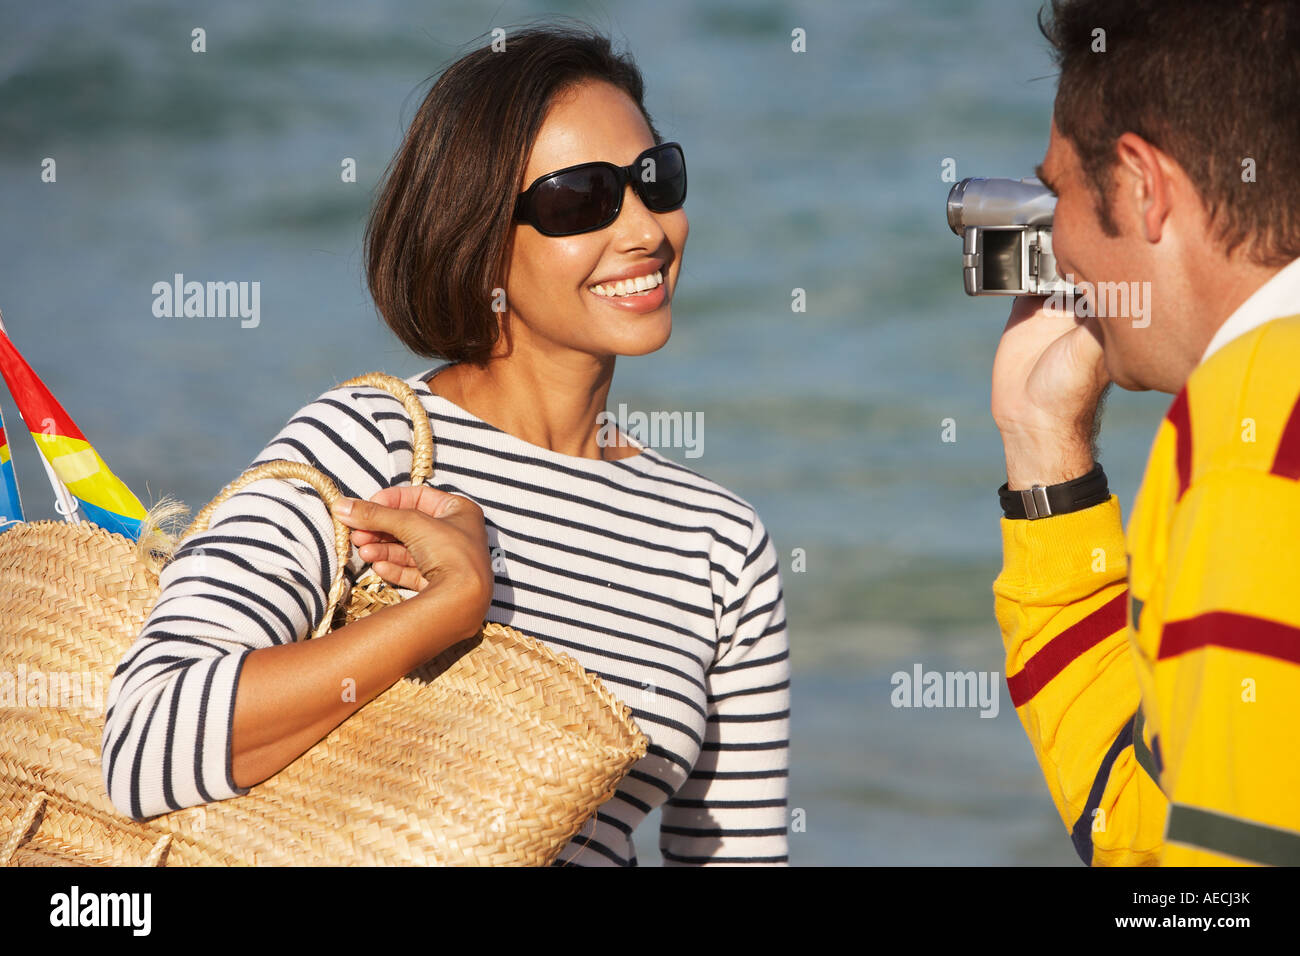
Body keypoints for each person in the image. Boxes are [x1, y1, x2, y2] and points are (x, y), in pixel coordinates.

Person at [103, 22, 790, 867]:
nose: (644, 228)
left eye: (656, 180)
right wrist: (446, 607)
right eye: (582, 199)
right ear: (479, 237)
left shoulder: (720, 544)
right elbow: (144, 745)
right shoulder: (373, 442)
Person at [990, 0, 1300, 865]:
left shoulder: (1251, 428)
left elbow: (1218, 878)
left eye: (1057, 193)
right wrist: (1043, 438)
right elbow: (1177, 819)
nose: (1057, 239)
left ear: (1141, 184)